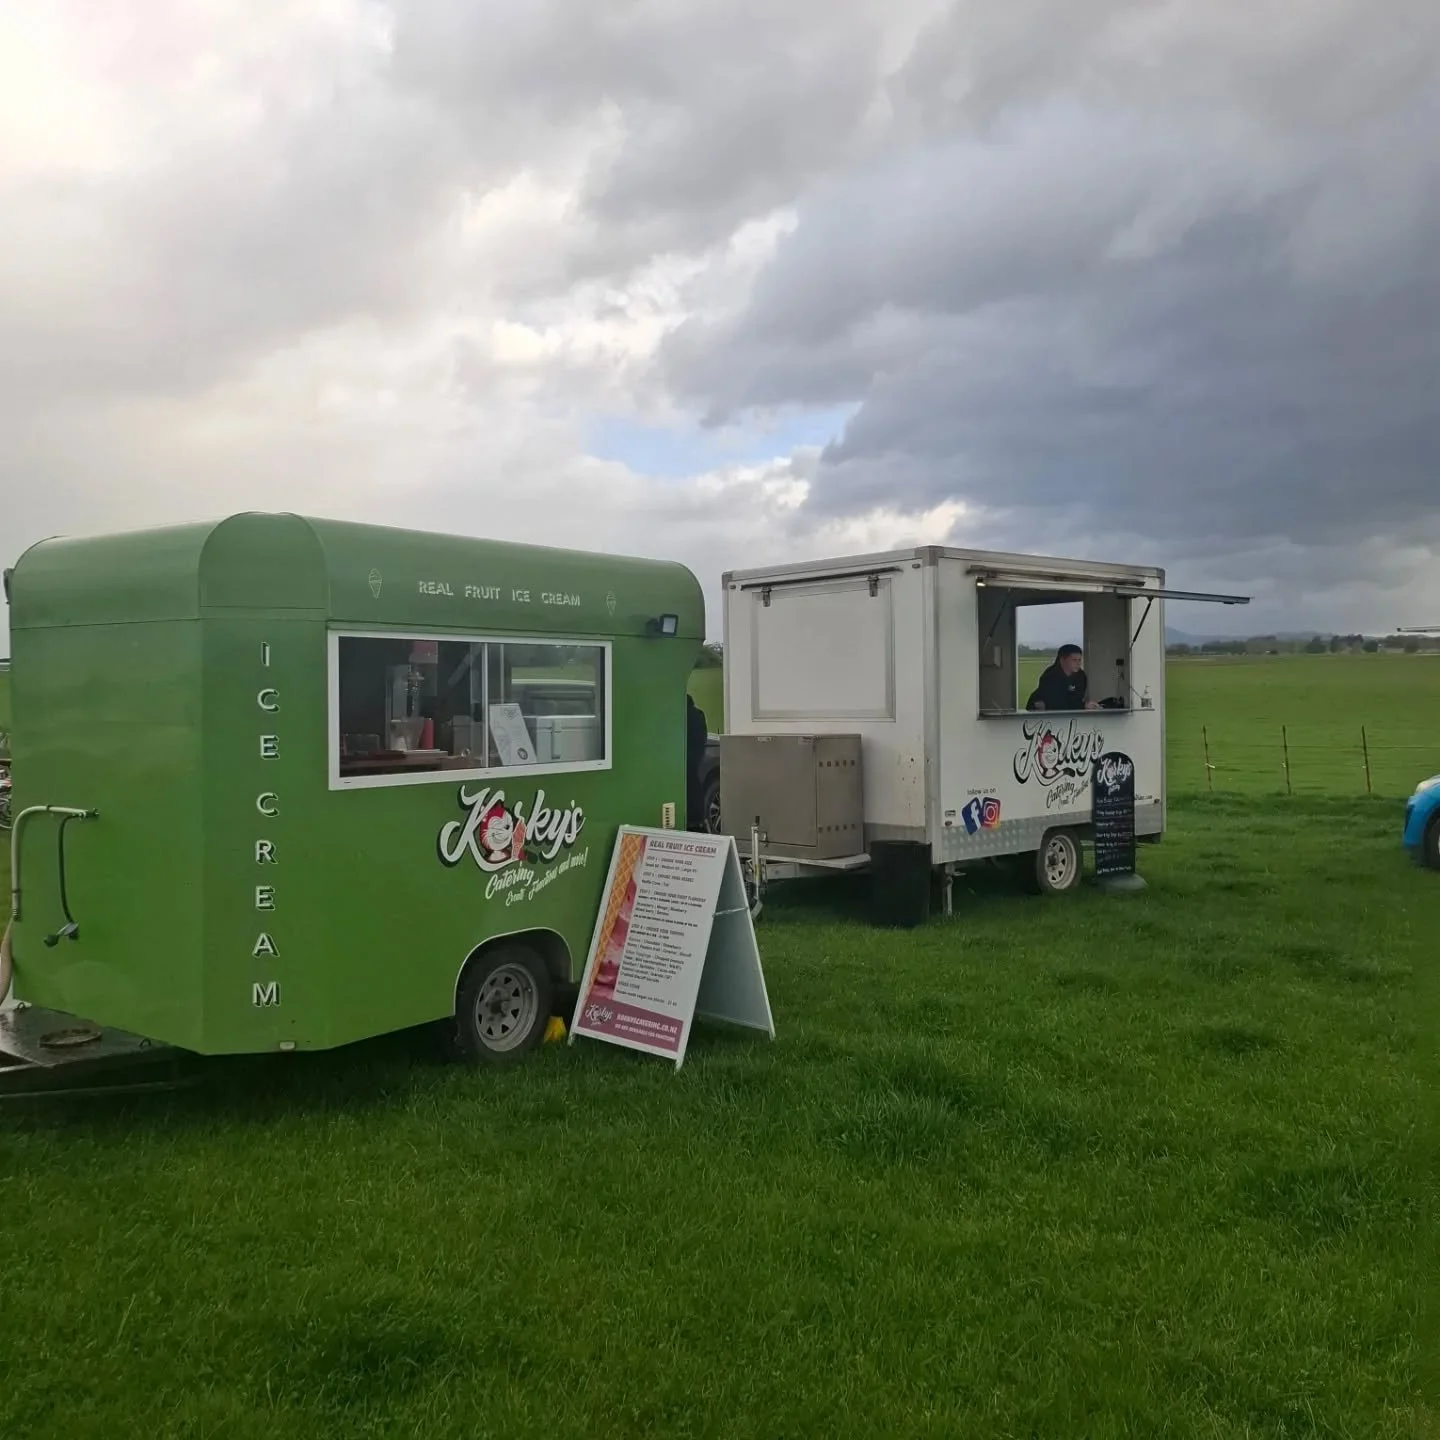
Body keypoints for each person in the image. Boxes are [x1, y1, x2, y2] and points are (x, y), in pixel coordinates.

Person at [1025, 644, 1100, 712]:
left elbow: (1076, 698)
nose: (1078, 663)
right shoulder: (1049, 676)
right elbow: (1055, 704)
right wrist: (1082, 706)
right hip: (1040, 714)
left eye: (1079, 660)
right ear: (1062, 660)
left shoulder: (1081, 676)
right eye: (1074, 660)